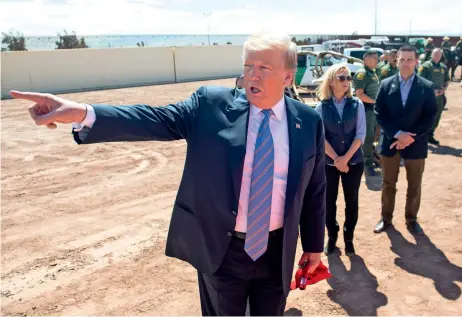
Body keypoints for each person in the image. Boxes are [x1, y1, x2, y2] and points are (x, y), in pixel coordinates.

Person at [10, 31, 327, 316]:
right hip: (223, 250)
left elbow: (314, 190)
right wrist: (82, 112)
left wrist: (313, 246)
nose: (251, 76)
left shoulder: (307, 121)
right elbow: (153, 118)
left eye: (263, 68)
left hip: (277, 252)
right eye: (248, 66)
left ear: (287, 76)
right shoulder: (210, 106)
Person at [372, 45, 437, 235]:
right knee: (388, 184)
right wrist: (397, 134)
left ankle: (411, 219)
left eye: (410, 59)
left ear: (416, 61)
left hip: (415, 144)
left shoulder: (426, 87)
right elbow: (379, 113)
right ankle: (385, 219)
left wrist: (408, 137)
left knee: (414, 185)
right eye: (402, 59)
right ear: (396, 61)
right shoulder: (385, 84)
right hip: (391, 142)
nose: (406, 63)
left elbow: (430, 116)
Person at [314, 64, 366, 256]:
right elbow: (321, 137)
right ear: (331, 81)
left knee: (352, 201)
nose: (346, 82)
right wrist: (337, 159)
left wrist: (345, 159)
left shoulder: (357, 104)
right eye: (341, 78)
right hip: (329, 164)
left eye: (348, 78)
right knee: (329, 201)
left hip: (353, 162)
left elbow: (360, 135)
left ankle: (349, 236)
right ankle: (332, 236)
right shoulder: (322, 106)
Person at [353, 50, 380, 176]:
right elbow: (359, 94)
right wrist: (375, 102)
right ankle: (366, 164)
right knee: (367, 137)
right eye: (375, 58)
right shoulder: (362, 74)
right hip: (366, 109)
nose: (377, 61)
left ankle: (369, 158)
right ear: (366, 59)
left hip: (372, 109)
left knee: (372, 136)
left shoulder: (371, 73)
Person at [418, 48, 450, 145]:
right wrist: (431, 91)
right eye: (435, 54)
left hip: (440, 95)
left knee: (437, 115)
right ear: (432, 55)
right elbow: (420, 80)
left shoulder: (443, 67)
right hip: (427, 96)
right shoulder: (426, 66)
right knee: (426, 116)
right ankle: (422, 136)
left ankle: (430, 135)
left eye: (439, 55)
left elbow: (447, 81)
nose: (437, 56)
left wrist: (443, 90)